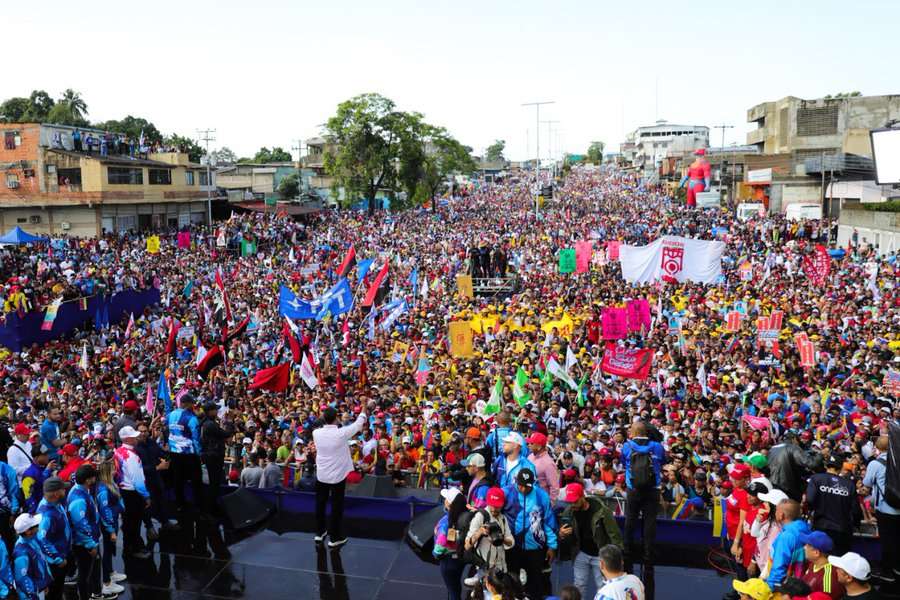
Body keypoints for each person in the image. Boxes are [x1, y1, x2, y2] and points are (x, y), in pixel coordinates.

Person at [312, 405, 368, 548]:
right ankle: (335, 537)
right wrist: (364, 405)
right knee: (337, 506)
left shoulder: (316, 433)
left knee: (320, 504)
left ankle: (319, 533)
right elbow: (359, 423)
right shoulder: (341, 433)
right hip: (337, 476)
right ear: (336, 418)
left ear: (323, 418)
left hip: (322, 475)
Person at [558, 482, 623, 600]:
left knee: (603, 587)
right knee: (579, 587)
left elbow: (614, 534)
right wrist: (561, 534)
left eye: (575, 501)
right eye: (570, 502)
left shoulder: (601, 510)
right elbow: (567, 538)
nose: (573, 504)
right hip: (580, 553)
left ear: (583, 497)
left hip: (600, 554)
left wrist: (616, 555)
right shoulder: (569, 512)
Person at [620, 421, 665, 577]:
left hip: (633, 488)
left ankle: (627, 552)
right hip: (653, 489)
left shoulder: (627, 446)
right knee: (649, 522)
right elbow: (663, 461)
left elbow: (622, 462)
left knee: (630, 519)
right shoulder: (657, 446)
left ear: (634, 432)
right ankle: (648, 556)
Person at [503, 468, 557, 600]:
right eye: (520, 485)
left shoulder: (541, 495)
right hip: (512, 547)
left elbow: (548, 522)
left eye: (526, 486)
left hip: (535, 549)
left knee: (535, 584)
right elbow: (493, 511)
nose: (522, 489)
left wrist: (552, 545)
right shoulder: (507, 492)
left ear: (532, 484)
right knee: (511, 582)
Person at [862, 435, 899, 582]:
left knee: (887, 541)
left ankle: (887, 571)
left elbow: (867, 482)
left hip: (885, 509)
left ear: (877, 448)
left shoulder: (875, 464)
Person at [806, 454, 857, 555]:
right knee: (838, 562)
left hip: (821, 526)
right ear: (840, 468)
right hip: (842, 529)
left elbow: (810, 500)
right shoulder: (849, 484)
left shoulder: (816, 479)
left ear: (826, 466)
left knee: (821, 559)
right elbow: (855, 510)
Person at [464, 487, 514, 587]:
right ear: (487, 502)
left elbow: (511, 542)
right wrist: (480, 532)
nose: (494, 509)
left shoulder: (502, 518)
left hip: (501, 568)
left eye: (497, 506)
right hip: (484, 569)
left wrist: (502, 539)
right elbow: (466, 546)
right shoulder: (480, 516)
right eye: (492, 505)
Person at [67, 464, 103, 600]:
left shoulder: (82, 490)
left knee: (91, 570)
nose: (95, 478)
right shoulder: (79, 499)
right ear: (88, 480)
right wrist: (90, 544)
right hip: (83, 544)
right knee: (84, 575)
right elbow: (81, 524)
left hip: (89, 540)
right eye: (93, 476)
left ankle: (96, 593)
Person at [114, 425, 151, 559]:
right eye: (134, 436)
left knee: (128, 521)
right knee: (134, 522)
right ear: (128, 439)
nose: (137, 438)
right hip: (132, 492)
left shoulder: (119, 450)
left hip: (124, 490)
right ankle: (134, 548)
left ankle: (130, 546)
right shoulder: (130, 456)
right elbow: (138, 480)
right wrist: (146, 496)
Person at [165, 394, 204, 514]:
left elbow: (166, 426)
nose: (193, 406)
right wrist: (199, 454)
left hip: (174, 453)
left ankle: (179, 505)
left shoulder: (170, 415)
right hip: (189, 454)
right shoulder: (192, 418)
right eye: (192, 403)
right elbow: (196, 438)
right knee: (196, 480)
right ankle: (198, 505)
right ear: (186, 404)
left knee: (178, 480)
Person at [36, 477, 71, 600]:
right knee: (54, 593)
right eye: (63, 489)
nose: (65, 491)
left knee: (58, 591)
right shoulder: (47, 515)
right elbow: (41, 539)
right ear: (56, 494)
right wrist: (57, 559)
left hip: (62, 555)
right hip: (55, 563)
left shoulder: (56, 503)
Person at [766, 499, 811, 590]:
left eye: (776, 510)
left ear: (781, 515)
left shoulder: (786, 537)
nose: (775, 513)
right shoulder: (806, 528)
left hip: (786, 586)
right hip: (799, 583)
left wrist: (770, 587)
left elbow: (779, 566)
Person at [96, 461, 126, 595]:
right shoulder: (103, 489)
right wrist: (111, 530)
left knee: (110, 548)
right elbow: (105, 510)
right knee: (107, 551)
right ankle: (106, 583)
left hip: (114, 521)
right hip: (109, 524)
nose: (115, 471)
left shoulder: (111, 483)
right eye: (113, 469)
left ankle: (111, 572)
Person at [434, 488, 468, 600]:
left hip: (448, 562)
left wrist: (436, 554)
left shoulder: (446, 523)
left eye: (446, 498)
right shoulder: (466, 517)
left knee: (453, 591)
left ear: (449, 503)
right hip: (461, 559)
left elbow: (439, 548)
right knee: (455, 587)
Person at [767, 432, 820, 502]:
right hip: (788, 488)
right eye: (798, 441)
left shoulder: (772, 449)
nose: (799, 444)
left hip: (773, 485)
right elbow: (811, 463)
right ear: (794, 439)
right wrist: (820, 454)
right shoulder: (793, 447)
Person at [200, 401, 233, 513]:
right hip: (213, 457)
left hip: (212, 456)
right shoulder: (210, 424)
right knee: (214, 483)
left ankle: (211, 506)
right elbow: (226, 434)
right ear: (210, 411)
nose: (217, 411)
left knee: (215, 482)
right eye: (215, 409)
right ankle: (211, 508)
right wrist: (230, 422)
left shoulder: (207, 422)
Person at [12, 513, 51, 600]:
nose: (38, 527)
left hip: (38, 589)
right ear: (28, 531)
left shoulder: (32, 540)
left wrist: (43, 584)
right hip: (32, 595)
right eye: (36, 525)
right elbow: (22, 579)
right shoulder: (21, 553)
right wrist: (33, 595)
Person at [798, 531, 844, 600]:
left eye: (808, 545)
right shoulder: (813, 564)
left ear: (816, 553)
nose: (804, 547)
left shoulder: (828, 577)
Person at [526, 432, 560, 506]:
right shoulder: (530, 456)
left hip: (541, 502)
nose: (529, 445)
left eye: (532, 443)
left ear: (539, 446)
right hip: (528, 498)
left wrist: (551, 504)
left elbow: (554, 487)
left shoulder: (548, 463)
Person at [21, 446, 53, 514]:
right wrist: (35, 513)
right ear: (36, 458)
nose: (47, 456)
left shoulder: (46, 467)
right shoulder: (29, 474)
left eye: (47, 454)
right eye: (44, 455)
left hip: (49, 506)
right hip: (39, 511)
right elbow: (29, 497)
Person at [0, 459, 20, 553]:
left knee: (7, 544)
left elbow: (14, 491)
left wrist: (13, 512)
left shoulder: (5, 469)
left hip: (4, 514)